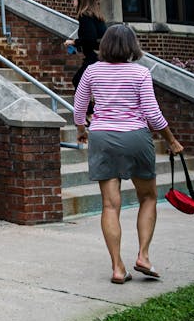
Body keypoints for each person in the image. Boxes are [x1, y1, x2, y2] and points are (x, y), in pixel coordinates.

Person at [74, 24, 183, 284]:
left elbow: (79, 107)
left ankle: (117, 268)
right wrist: (172, 140)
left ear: (106, 45)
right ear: (132, 46)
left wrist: (81, 130)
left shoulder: (92, 71)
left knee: (110, 205)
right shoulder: (140, 73)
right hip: (135, 137)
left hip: (102, 137)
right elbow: (153, 115)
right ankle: (143, 256)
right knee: (147, 197)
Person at [64, 0, 107, 91]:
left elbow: (89, 39)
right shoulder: (96, 17)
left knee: (78, 81)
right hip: (101, 57)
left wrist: (74, 42)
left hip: (94, 57)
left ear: (81, 1)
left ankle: (86, 107)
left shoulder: (85, 16)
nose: (73, 1)